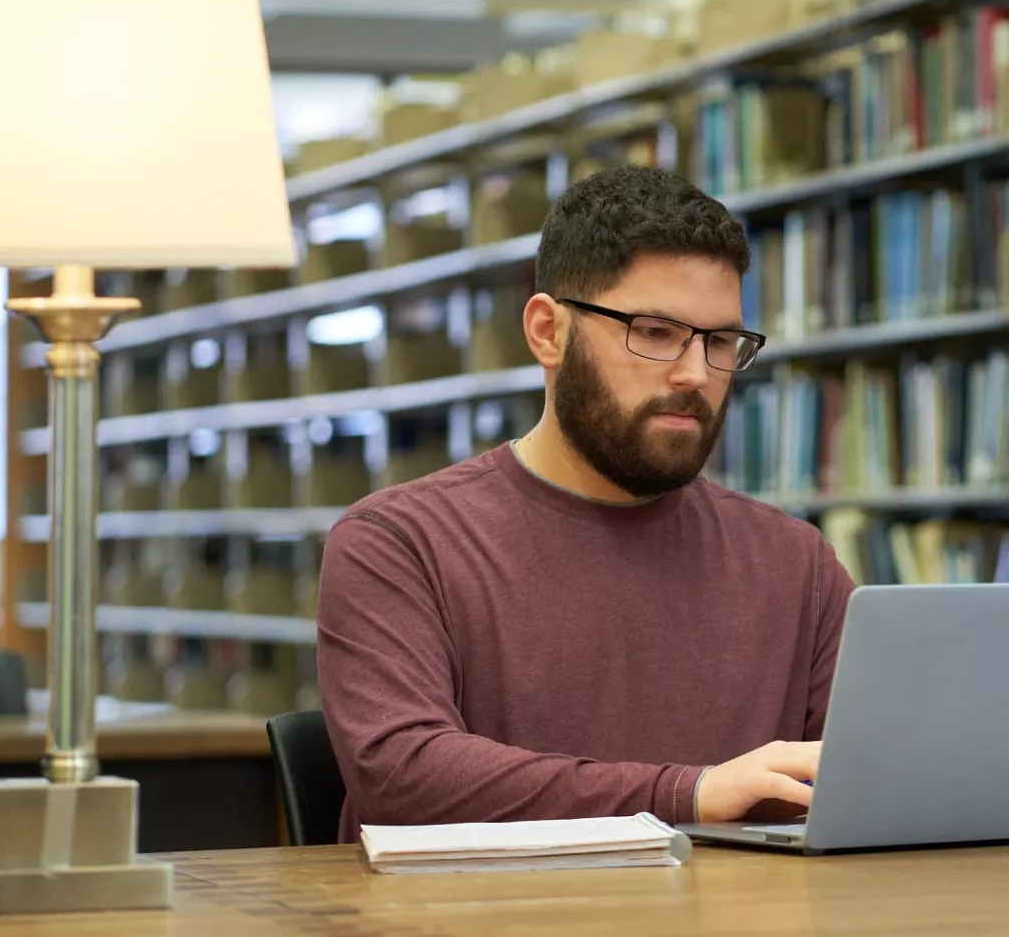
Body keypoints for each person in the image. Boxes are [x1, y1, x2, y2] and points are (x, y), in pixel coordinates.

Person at [318, 166, 855, 840]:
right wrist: (690, 796)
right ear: (548, 332)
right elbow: (402, 775)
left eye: (721, 343)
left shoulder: (795, 563)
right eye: (655, 332)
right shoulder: (398, 542)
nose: (695, 374)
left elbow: (877, 771)